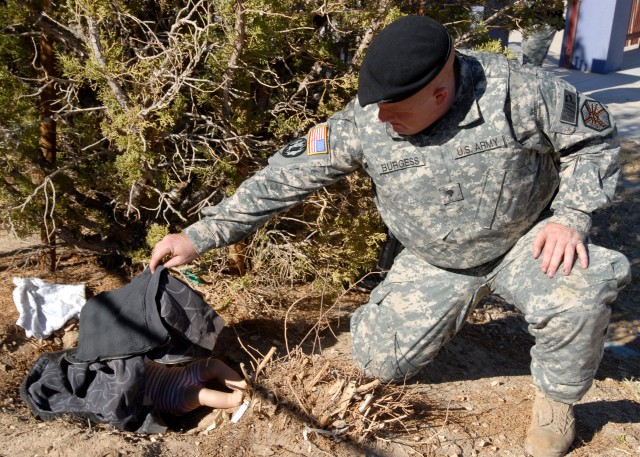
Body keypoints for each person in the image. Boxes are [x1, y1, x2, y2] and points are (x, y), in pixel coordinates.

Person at [149, 15, 630, 457]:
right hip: (433, 261)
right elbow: (284, 178)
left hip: (528, 240)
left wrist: (571, 215)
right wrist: (200, 235)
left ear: (440, 94)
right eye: (375, 107)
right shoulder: (368, 118)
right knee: (380, 362)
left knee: (578, 294)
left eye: (393, 110)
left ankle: (556, 402)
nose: (380, 120)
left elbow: (594, 138)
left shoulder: (519, 91)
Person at [144, 357, 247, 415]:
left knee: (213, 364)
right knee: (200, 395)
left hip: (182, 373)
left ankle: (239, 384)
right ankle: (231, 399)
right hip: (173, 396)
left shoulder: (130, 354)